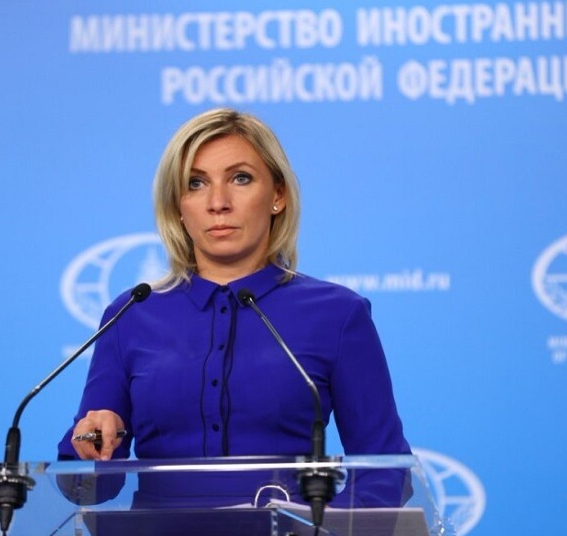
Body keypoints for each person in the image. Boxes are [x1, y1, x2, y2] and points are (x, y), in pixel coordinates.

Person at [57, 107, 410, 509]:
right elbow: (88, 487)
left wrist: (319, 528)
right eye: (195, 183)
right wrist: (92, 443)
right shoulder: (131, 315)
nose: (218, 203)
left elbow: (386, 472)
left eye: (240, 178)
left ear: (278, 195)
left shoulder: (338, 315)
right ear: (178, 206)